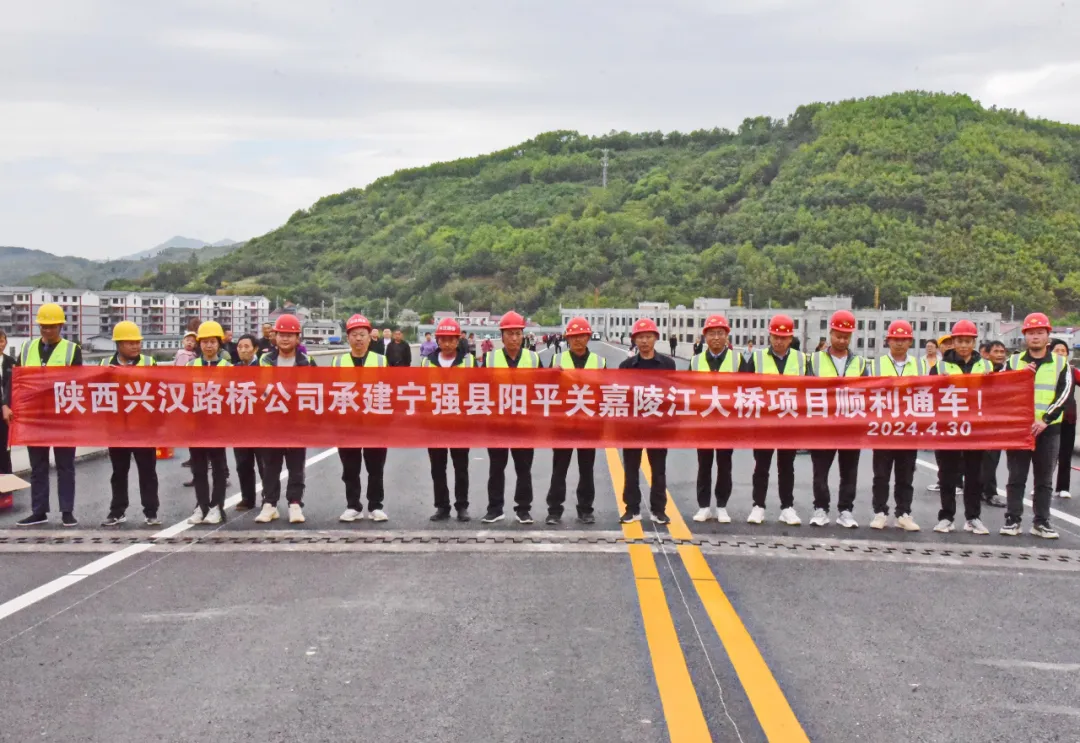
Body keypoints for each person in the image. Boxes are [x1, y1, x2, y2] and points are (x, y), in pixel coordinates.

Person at [1001, 313, 1073, 539]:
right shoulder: (1013, 362)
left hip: (1049, 430)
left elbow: (1064, 394)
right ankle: (1013, 519)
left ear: (1048, 336)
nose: (1035, 336)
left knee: (1044, 479)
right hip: (1021, 429)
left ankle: (1041, 521)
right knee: (1016, 477)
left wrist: (1046, 420)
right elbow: (1001, 392)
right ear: (1025, 336)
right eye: (1031, 333)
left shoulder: (1061, 363)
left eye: (1040, 332)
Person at [16, 303, 83, 527]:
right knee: (38, 466)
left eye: (52, 326)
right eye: (44, 326)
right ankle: (39, 510)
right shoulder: (26, 348)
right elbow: (17, 380)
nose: (47, 330)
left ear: (61, 326)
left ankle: (67, 511)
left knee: (65, 465)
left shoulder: (72, 349)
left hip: (63, 416)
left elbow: (78, 381)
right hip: (35, 417)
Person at [739, 314, 808, 526]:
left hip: (789, 422)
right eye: (775, 336)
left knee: (787, 466)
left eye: (783, 337)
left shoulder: (801, 359)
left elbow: (810, 389)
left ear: (790, 338)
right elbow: (745, 386)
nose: (779, 341)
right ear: (769, 336)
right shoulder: (757, 358)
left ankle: (787, 507)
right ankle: (758, 506)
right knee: (761, 466)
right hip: (764, 422)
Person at [929, 320, 991, 534]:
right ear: (952, 342)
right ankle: (946, 516)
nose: (963, 345)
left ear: (974, 342)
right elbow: (928, 394)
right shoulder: (940, 366)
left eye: (967, 341)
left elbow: (1000, 392)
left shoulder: (987, 366)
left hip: (976, 428)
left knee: (975, 475)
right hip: (949, 428)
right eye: (959, 341)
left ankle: (973, 517)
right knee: (947, 474)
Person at [809, 310, 868, 528]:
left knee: (849, 471)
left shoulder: (861, 364)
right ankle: (821, 508)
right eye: (838, 335)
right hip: (822, 427)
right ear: (830, 333)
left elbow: (870, 392)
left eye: (846, 336)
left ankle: (845, 510)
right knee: (820, 471)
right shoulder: (814, 360)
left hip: (850, 427)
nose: (841, 340)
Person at [254, 315, 314, 525]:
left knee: (296, 465)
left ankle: (295, 503)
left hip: (298, 422)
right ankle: (269, 504)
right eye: (282, 334)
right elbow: (257, 390)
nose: (286, 339)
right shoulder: (264, 360)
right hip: (271, 420)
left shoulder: (307, 363)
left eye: (290, 335)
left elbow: (315, 392)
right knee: (270, 464)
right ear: (274, 337)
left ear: (298, 338)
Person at [545, 317, 606, 525]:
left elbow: (604, 392)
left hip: (589, 425)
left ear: (588, 337)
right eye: (573, 336)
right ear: (567, 339)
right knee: (559, 469)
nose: (578, 340)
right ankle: (554, 510)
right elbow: (546, 391)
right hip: (563, 425)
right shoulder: (557, 361)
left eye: (582, 336)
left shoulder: (599, 361)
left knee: (586, 470)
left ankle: (585, 509)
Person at [482, 311, 541, 524]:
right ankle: (495, 508)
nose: (514, 338)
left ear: (523, 335)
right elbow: (479, 387)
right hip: (497, 423)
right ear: (502, 336)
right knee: (496, 468)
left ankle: (523, 509)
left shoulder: (533, 358)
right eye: (510, 334)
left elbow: (544, 387)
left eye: (517, 333)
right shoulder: (490, 359)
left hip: (524, 424)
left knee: (523, 469)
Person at [100, 322, 160, 527]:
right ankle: (117, 510)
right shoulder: (105, 364)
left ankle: (151, 511)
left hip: (143, 427)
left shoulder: (149, 362)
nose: (135, 346)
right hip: (117, 428)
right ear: (118, 344)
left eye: (137, 342)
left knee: (147, 471)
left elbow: (159, 392)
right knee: (118, 471)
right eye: (130, 342)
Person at [332, 314, 390, 522]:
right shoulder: (338, 361)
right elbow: (330, 390)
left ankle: (375, 505)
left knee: (375, 467)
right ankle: (353, 505)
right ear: (348, 338)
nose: (358, 339)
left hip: (375, 423)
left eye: (362, 335)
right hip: (347, 424)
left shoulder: (381, 361)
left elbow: (390, 390)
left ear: (369, 337)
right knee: (350, 467)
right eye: (354, 335)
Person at [619, 319, 676, 524]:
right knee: (631, 469)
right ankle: (631, 509)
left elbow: (673, 394)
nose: (644, 341)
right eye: (640, 337)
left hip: (657, 427)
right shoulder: (626, 366)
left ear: (655, 338)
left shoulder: (668, 364)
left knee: (658, 469)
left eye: (648, 337)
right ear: (634, 340)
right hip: (633, 427)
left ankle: (658, 509)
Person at [869, 321, 925, 531]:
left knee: (905, 475)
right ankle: (880, 512)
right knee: (881, 474)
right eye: (895, 339)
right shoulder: (875, 365)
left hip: (909, 429)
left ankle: (904, 513)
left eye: (904, 339)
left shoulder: (921, 366)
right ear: (888, 341)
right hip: (883, 429)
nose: (899, 343)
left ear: (910, 341)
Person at [422, 318, 474, 521]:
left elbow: (480, 387)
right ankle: (442, 506)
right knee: (438, 468)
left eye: (451, 339)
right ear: (437, 340)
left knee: (460, 467)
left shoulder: (468, 361)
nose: (447, 343)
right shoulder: (427, 362)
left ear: (457, 339)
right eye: (443, 339)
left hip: (460, 424)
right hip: (435, 424)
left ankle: (462, 506)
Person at [690, 315, 738, 523]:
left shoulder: (738, 360)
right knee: (704, 464)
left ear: (727, 336)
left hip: (727, 422)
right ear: (705, 337)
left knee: (725, 464)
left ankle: (722, 506)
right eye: (712, 334)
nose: (716, 338)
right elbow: (689, 390)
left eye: (720, 333)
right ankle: (703, 506)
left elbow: (746, 389)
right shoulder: (696, 360)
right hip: (704, 422)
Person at [186, 321, 232, 526]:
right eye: (204, 342)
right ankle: (201, 505)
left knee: (219, 468)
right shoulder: (190, 366)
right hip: (196, 424)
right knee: (198, 468)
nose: (209, 346)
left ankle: (216, 506)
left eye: (212, 342)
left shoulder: (228, 367)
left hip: (219, 425)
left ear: (219, 344)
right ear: (199, 344)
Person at [232, 334, 263, 511]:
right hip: (240, 425)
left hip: (261, 424)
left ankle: (269, 499)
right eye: (240, 347)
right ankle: (247, 498)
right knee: (243, 464)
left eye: (247, 346)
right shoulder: (233, 369)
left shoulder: (263, 367)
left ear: (255, 349)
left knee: (264, 465)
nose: (243, 350)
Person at [980, 340, 1009, 509]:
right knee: (976, 459)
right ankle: (977, 489)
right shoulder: (980, 370)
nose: (999, 354)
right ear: (987, 353)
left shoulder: (1010, 372)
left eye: (1002, 351)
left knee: (992, 458)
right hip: (978, 420)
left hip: (997, 422)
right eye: (996, 351)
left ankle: (990, 492)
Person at [1051, 338, 1078, 499]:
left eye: (1063, 351)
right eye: (1057, 350)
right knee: (1046, 455)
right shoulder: (1044, 369)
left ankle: (1063, 487)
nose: (1060, 353)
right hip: (1048, 419)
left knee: (1065, 453)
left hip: (1068, 418)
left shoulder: (1073, 371)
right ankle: (1040, 486)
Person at [0, 330, 14, 506]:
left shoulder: (11, 363)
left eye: (2, 340)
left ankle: (7, 492)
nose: (0, 344)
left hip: (6, 414)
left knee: (5, 453)